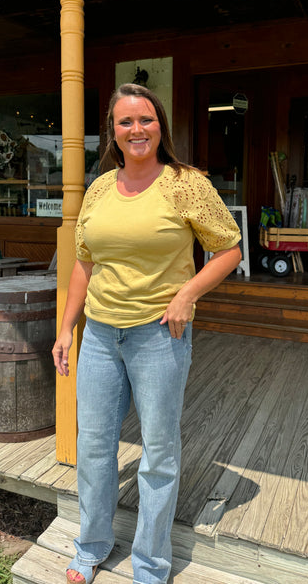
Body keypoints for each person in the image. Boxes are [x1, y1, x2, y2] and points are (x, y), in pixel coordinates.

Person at [52, 83, 242, 584]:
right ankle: (91, 546)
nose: (137, 130)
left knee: (158, 452)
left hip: (158, 336)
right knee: (94, 446)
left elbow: (228, 249)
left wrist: (186, 295)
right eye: (125, 122)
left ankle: (151, 565)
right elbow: (83, 265)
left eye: (146, 120)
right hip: (99, 337)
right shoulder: (98, 189)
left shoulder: (185, 184)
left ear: (160, 127)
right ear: (112, 133)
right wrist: (67, 328)